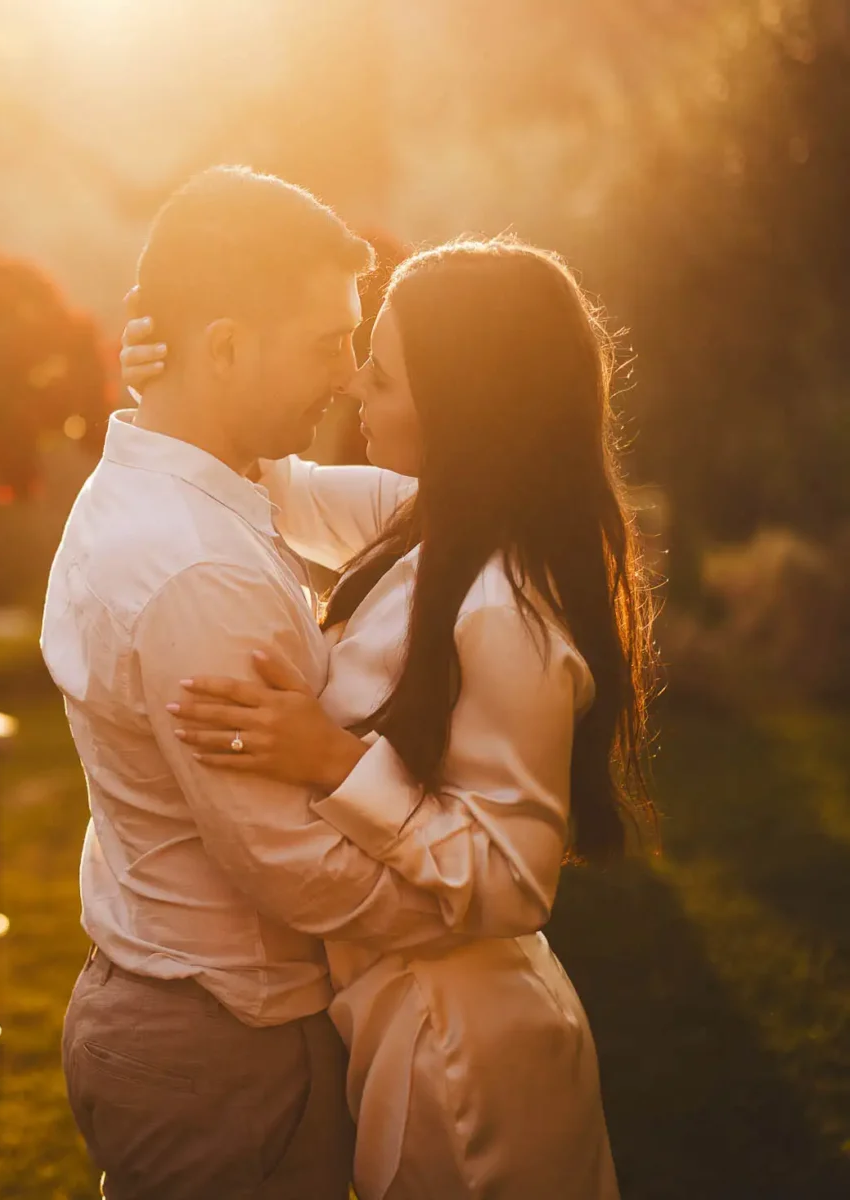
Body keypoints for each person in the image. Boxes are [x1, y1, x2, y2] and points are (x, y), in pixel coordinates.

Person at [120, 235, 653, 1198]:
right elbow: (264, 480)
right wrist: (177, 383)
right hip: (403, 1018)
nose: (354, 389)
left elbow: (513, 881)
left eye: (381, 374)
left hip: (466, 1059)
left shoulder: (506, 610)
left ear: (463, 404)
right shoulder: (430, 518)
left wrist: (332, 760)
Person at [48, 165, 510, 1200]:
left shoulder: (173, 483)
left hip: (182, 1020)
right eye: (327, 344)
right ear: (222, 348)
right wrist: (474, 908)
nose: (346, 377)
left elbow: (404, 503)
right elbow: (293, 863)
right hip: (228, 1054)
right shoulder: (195, 567)